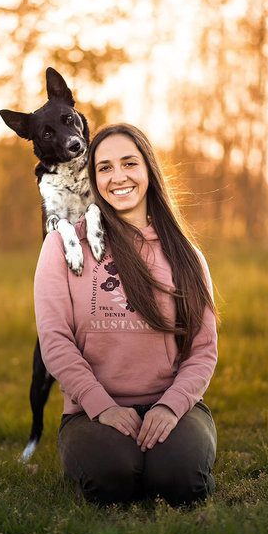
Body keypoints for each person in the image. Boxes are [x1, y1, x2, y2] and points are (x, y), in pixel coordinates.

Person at [34, 123, 218, 507]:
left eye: (129, 163)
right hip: (89, 411)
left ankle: (171, 452)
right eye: (104, 167)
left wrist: (171, 406)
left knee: (179, 481)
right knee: (112, 478)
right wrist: (101, 406)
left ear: (149, 170)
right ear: (92, 177)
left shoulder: (186, 254)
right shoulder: (64, 245)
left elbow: (202, 349)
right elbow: (55, 341)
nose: (118, 177)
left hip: (174, 404)